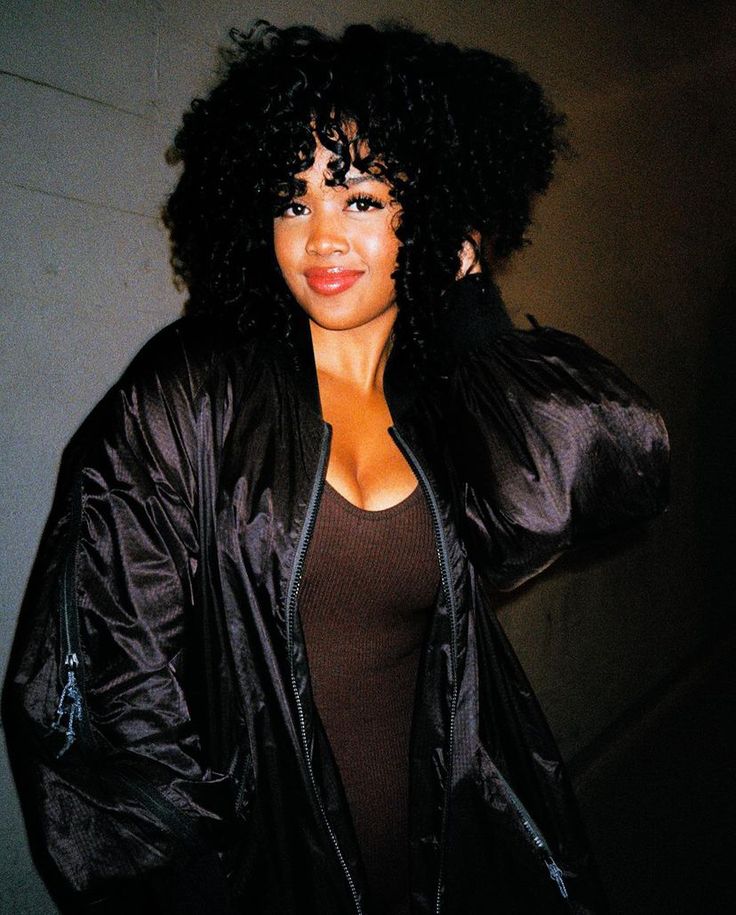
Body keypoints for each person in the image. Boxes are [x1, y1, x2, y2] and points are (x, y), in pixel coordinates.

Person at [3, 20, 669, 915]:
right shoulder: (191, 395)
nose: (319, 237)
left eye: (358, 200)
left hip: (457, 859)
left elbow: (602, 465)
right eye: (292, 198)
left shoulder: (442, 398)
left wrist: (474, 311)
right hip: (265, 884)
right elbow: (105, 699)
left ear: (430, 212)